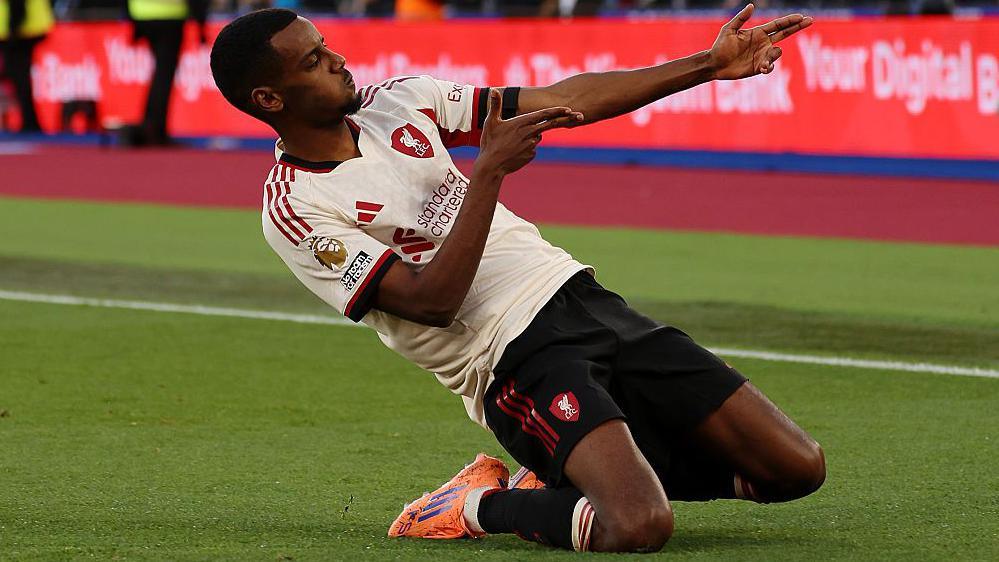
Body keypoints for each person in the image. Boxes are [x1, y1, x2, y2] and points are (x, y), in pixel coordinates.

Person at [209, 4, 820, 553]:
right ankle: (475, 506)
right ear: (270, 99)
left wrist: (705, 66)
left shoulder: (399, 101)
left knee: (795, 468)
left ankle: (566, 471)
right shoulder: (295, 208)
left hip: (581, 296)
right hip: (510, 357)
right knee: (636, 527)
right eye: (315, 61)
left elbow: (567, 98)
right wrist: (488, 175)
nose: (339, 61)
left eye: (327, 46)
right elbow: (433, 303)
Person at [124, 0, 207, 145]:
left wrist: (132, 20)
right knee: (163, 76)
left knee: (160, 74)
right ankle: (154, 130)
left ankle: (149, 126)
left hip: (142, 14)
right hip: (170, 18)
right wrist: (200, 22)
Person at [0, 0, 53, 133]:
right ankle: (29, 121)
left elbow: (17, 6)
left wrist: (13, 32)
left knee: (19, 77)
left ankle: (30, 123)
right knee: (19, 77)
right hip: (23, 30)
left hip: (21, 33)